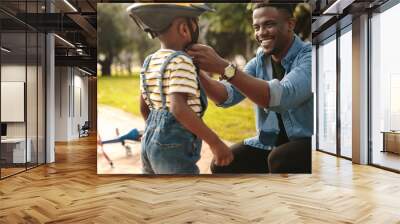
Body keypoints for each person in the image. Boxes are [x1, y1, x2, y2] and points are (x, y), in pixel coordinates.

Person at [186, 2, 312, 173]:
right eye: (256, 27)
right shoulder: (259, 61)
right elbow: (225, 95)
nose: (261, 33)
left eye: (269, 24)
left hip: (311, 143)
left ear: (290, 24)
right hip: (270, 142)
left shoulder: (311, 57)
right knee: (222, 164)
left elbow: (280, 96)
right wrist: (196, 70)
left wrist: (224, 67)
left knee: (280, 159)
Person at [127, 3, 233, 174]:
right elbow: (179, 108)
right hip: (174, 147)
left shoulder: (149, 61)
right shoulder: (182, 61)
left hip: (149, 141)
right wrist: (215, 143)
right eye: (196, 22)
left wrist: (156, 132)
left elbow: (144, 108)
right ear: (184, 29)